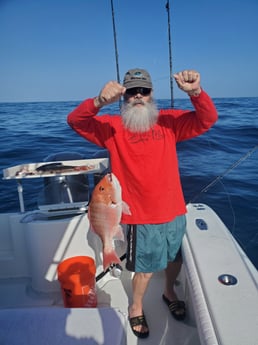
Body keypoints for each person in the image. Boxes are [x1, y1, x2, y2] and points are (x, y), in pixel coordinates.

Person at [67, 68, 218, 338]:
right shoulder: (111, 127)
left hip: (174, 211)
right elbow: (76, 121)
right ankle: (136, 306)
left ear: (151, 94)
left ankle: (169, 291)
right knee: (145, 271)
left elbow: (207, 120)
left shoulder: (170, 122)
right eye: (131, 91)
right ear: (123, 96)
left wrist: (195, 92)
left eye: (144, 91)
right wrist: (99, 102)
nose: (138, 95)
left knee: (175, 260)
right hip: (139, 216)